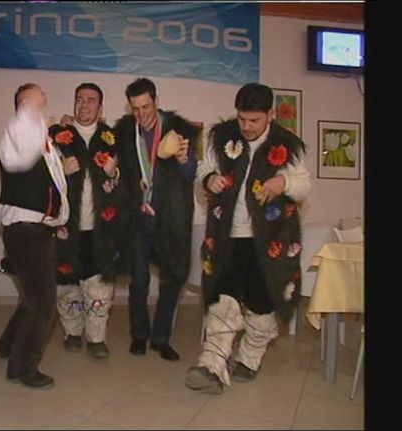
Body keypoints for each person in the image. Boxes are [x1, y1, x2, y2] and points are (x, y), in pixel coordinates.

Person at [185, 83, 311, 394]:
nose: (247, 126)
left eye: (254, 120)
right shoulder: (221, 137)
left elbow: (303, 184)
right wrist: (209, 178)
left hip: (269, 242)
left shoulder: (288, 145)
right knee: (222, 300)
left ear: (271, 114)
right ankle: (211, 366)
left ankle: (249, 358)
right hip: (227, 237)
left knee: (262, 305)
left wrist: (283, 181)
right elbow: (203, 167)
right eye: (242, 119)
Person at [114, 77, 199, 361]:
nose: (142, 114)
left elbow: (190, 175)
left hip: (170, 217)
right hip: (138, 219)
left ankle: (161, 339)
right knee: (138, 280)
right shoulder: (125, 133)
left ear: (157, 102)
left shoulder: (181, 131)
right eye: (136, 108)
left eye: (146, 107)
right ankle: (139, 335)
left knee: (172, 278)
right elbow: (119, 172)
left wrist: (183, 160)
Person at [0, 83, 69, 389]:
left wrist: (58, 219)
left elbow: (55, 186)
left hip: (36, 230)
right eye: (38, 101)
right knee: (43, 304)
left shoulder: (40, 140)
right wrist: (32, 115)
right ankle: (22, 368)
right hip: (26, 232)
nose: (44, 104)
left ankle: (8, 346)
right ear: (24, 106)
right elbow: (21, 158)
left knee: (34, 297)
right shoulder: (19, 134)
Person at [49, 83, 126, 358]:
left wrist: (114, 173)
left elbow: (130, 185)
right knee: (67, 286)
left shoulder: (112, 139)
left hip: (100, 229)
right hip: (65, 228)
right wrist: (59, 170)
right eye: (79, 99)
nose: (84, 105)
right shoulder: (57, 137)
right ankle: (72, 332)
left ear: (100, 106)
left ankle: (96, 338)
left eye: (91, 100)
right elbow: (40, 180)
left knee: (99, 289)